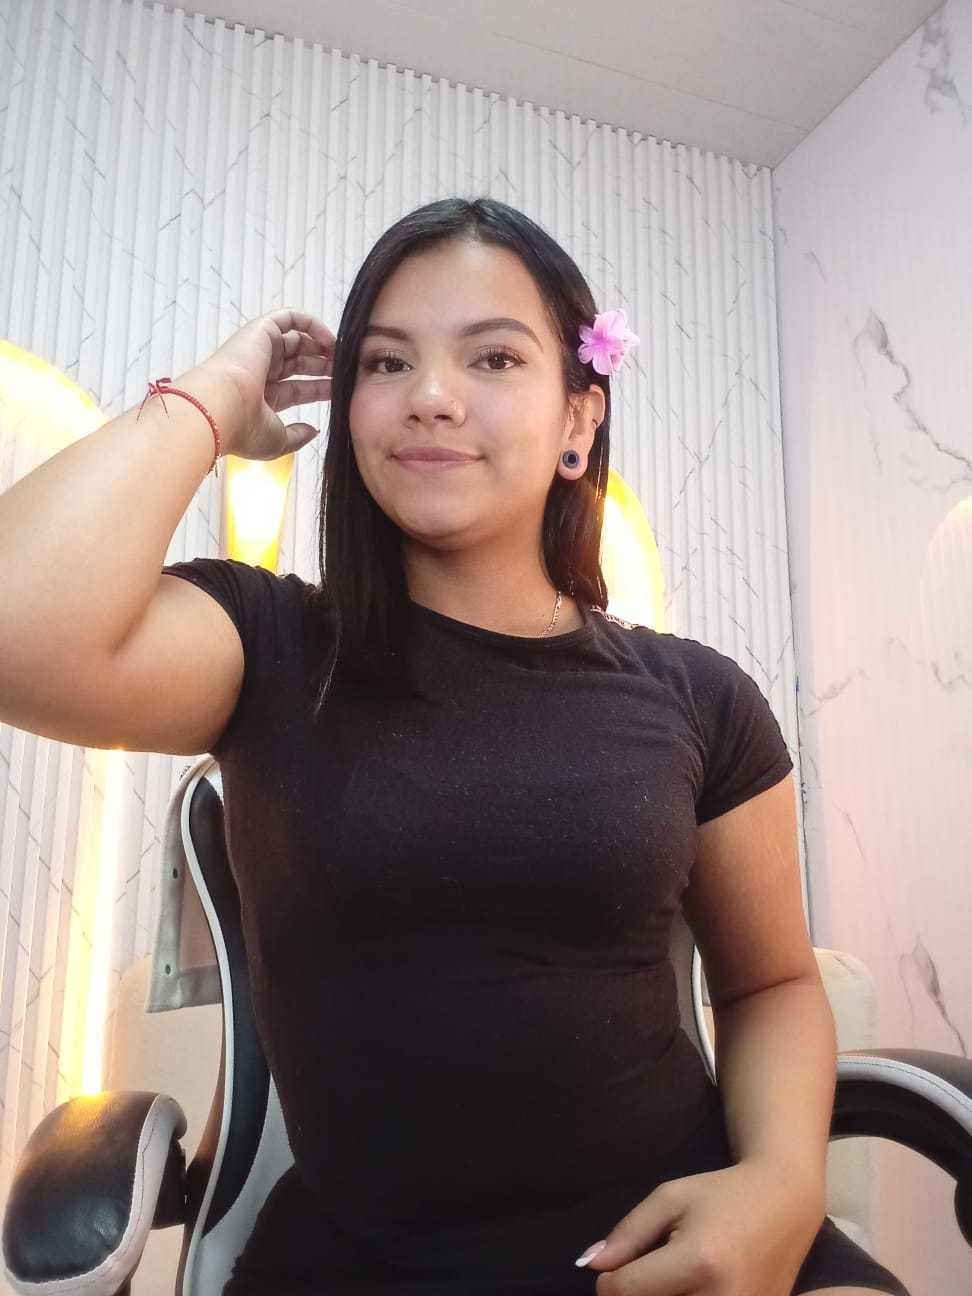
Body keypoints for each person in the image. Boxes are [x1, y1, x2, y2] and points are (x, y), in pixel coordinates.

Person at [0, 197, 910, 1296]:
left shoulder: (701, 696)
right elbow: (17, 629)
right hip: (364, 1260)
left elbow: (770, 984)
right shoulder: (270, 646)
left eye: (493, 357)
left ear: (579, 422)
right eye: (386, 362)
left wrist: (781, 1185)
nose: (430, 395)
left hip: (675, 1230)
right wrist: (214, 396)